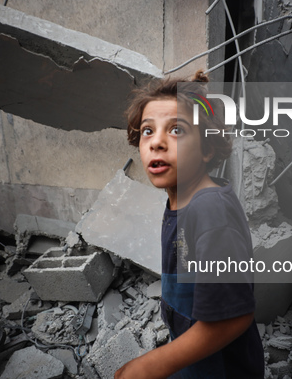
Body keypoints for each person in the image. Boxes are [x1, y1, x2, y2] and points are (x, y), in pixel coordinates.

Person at [115, 71, 264, 379]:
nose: (156, 142)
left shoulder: (210, 211)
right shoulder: (180, 199)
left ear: (208, 148)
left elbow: (231, 318)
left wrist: (151, 364)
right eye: (147, 131)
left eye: (177, 130)